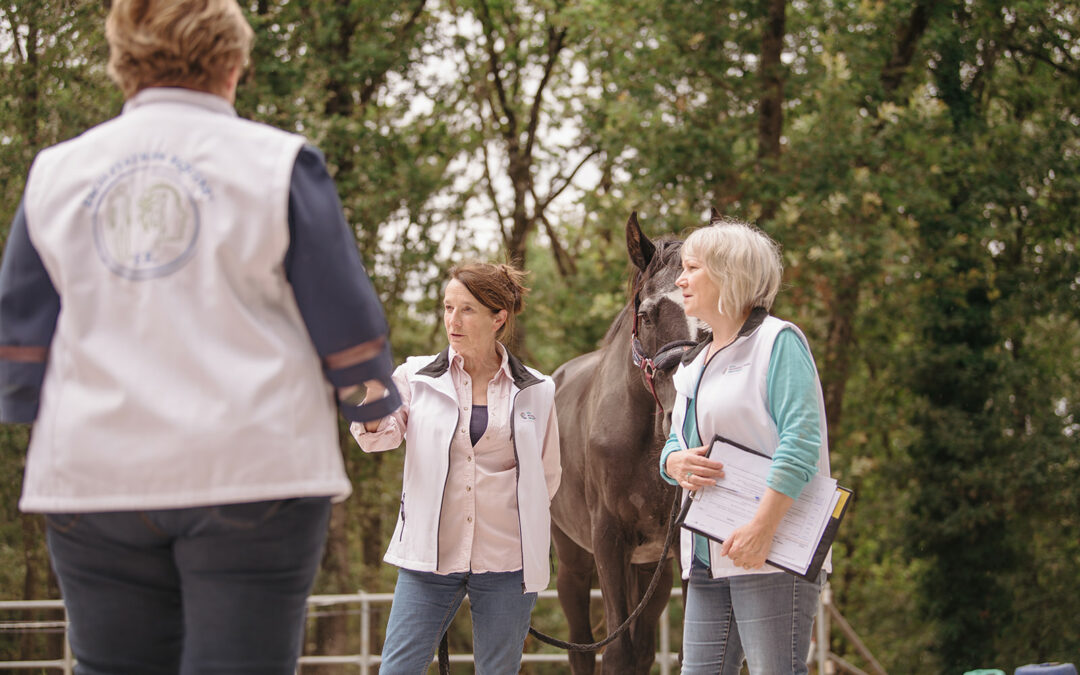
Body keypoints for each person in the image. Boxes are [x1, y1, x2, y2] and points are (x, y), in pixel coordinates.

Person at [0, 1, 399, 673]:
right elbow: (346, 328)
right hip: (253, 474)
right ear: (233, 62)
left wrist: (24, 407)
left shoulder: (54, 174)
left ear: (121, 63)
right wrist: (372, 408)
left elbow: (18, 337)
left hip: (95, 477)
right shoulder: (281, 165)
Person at [352, 262, 561, 675]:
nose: (452, 320)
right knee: (398, 668)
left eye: (466, 310)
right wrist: (375, 386)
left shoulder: (537, 389)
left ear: (498, 317)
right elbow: (377, 437)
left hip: (507, 561)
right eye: (447, 308)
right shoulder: (415, 377)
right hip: (428, 558)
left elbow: (547, 476)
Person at [659, 219, 831, 675]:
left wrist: (762, 528)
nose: (679, 280)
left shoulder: (778, 341)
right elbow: (675, 438)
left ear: (729, 274)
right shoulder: (695, 357)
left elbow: (800, 443)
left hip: (770, 549)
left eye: (691, 268)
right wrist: (672, 461)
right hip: (706, 554)